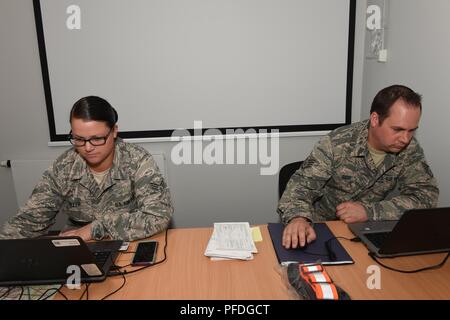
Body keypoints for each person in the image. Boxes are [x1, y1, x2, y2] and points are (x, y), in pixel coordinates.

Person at [277, 85, 439, 249]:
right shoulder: (335, 144)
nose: (405, 139)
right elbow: (298, 188)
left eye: (412, 130)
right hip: (321, 230)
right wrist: (298, 218)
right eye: (398, 129)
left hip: (367, 230)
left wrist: (370, 211)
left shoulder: (409, 149)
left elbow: (426, 196)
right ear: (375, 119)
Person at [0, 96, 173, 241]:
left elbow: (158, 216)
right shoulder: (64, 167)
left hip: (131, 240)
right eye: (79, 139)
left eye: (97, 139)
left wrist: (94, 229)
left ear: (114, 131)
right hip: (80, 247)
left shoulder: (137, 160)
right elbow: (29, 220)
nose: (88, 148)